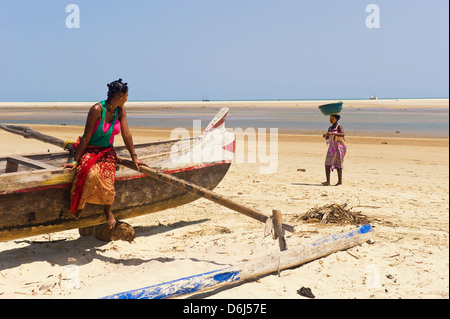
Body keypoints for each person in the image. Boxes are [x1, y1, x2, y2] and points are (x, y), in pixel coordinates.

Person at [63, 79, 147, 229]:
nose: (127, 98)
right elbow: (86, 136)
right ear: (120, 95)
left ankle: (108, 211)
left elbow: (126, 134)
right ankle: (80, 204)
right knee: (89, 173)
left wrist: (134, 157)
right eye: (126, 96)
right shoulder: (96, 109)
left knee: (108, 177)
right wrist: (76, 161)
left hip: (107, 152)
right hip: (89, 149)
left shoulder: (120, 110)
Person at [322, 114, 347, 186]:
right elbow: (328, 138)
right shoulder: (330, 128)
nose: (331, 120)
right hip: (332, 147)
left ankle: (340, 182)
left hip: (339, 147)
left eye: (332, 118)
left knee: (338, 163)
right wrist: (326, 136)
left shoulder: (339, 126)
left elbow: (342, 134)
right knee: (327, 163)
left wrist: (332, 133)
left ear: (336, 119)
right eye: (330, 118)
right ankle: (328, 181)